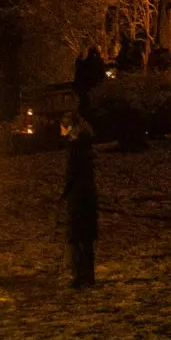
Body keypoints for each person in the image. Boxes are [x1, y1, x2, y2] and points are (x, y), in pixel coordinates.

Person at [60, 112, 98, 288]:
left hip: (77, 197)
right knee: (86, 237)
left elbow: (72, 173)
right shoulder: (86, 146)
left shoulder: (75, 148)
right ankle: (88, 275)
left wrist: (64, 193)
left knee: (75, 236)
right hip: (88, 195)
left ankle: (78, 275)